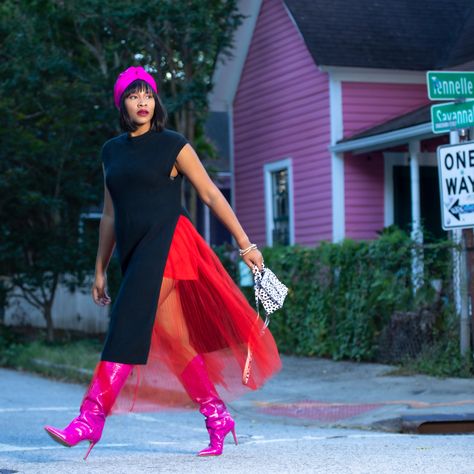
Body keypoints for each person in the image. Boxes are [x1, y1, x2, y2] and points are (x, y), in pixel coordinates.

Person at [43, 66, 281, 460]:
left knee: (126, 322)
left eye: (148, 95)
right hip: (135, 252)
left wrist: (245, 243)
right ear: (122, 103)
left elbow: (210, 194)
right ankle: (217, 415)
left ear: (156, 101)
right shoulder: (111, 151)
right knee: (176, 342)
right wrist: (100, 268)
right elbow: (109, 215)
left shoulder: (173, 144)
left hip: (170, 246)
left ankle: (90, 417)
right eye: (134, 96)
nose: (143, 102)